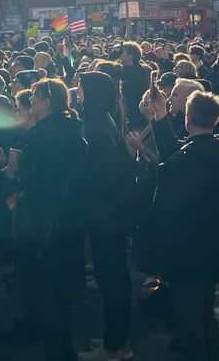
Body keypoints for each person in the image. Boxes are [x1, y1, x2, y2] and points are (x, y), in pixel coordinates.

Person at [143, 90, 219, 361]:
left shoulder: (188, 161)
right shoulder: (218, 149)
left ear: (186, 117)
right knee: (204, 317)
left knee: (190, 326)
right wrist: (161, 117)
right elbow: (180, 150)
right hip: (209, 250)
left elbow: (169, 209)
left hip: (186, 255)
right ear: (217, 120)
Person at [6, 78, 87, 359]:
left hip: (46, 225)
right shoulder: (68, 129)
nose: (30, 104)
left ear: (47, 101)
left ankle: (59, 352)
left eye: (34, 99)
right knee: (56, 296)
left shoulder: (47, 135)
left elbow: (44, 181)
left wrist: (17, 171)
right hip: (64, 223)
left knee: (48, 293)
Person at [73, 71, 137, 361]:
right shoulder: (104, 120)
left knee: (112, 281)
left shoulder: (95, 127)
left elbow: (102, 177)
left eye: (81, 87)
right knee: (115, 279)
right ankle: (117, 340)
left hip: (104, 217)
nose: (77, 91)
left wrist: (83, 197)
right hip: (109, 214)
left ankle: (114, 348)